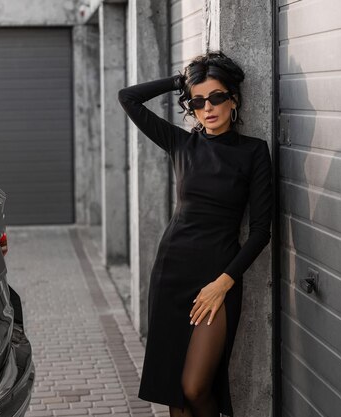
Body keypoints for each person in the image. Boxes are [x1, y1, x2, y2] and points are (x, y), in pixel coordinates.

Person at [117, 51, 273, 417]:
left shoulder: (253, 153)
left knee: (196, 387)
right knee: (176, 395)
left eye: (217, 97)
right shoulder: (182, 144)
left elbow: (261, 231)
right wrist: (179, 81)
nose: (208, 108)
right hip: (172, 273)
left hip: (218, 279)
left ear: (233, 99)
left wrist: (224, 282)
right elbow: (128, 97)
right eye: (198, 101)